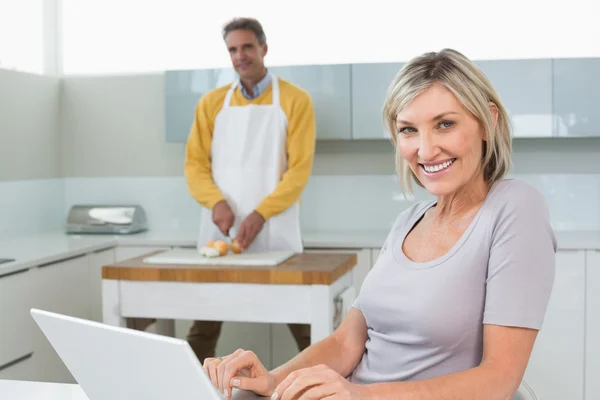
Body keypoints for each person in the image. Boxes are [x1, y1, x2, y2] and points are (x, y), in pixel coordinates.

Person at [202, 48, 557, 400]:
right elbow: (346, 343)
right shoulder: (408, 222)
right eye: (408, 130)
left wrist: (362, 395)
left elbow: (499, 379)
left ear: (488, 121)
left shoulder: (514, 209)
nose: (426, 149)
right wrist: (274, 380)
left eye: (445, 124)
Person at [183, 17, 316, 363]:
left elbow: (299, 171)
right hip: (221, 230)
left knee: (302, 319)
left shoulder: (295, 100)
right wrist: (216, 203)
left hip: (275, 227)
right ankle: (190, 386)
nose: (240, 56)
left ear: (263, 49)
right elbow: (195, 165)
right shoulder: (211, 104)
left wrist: (261, 213)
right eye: (232, 49)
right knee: (206, 319)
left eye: (247, 47)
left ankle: (323, 384)